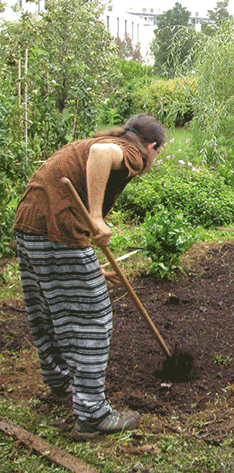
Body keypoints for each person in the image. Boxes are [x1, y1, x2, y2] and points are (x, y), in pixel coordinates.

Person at [12, 113, 166, 441]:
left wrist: (87, 267)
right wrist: (96, 218)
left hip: (30, 224)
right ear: (152, 146)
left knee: (47, 306)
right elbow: (101, 158)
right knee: (93, 316)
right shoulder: (131, 153)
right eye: (158, 152)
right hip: (58, 228)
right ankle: (92, 414)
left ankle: (59, 380)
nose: (154, 158)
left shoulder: (95, 141)